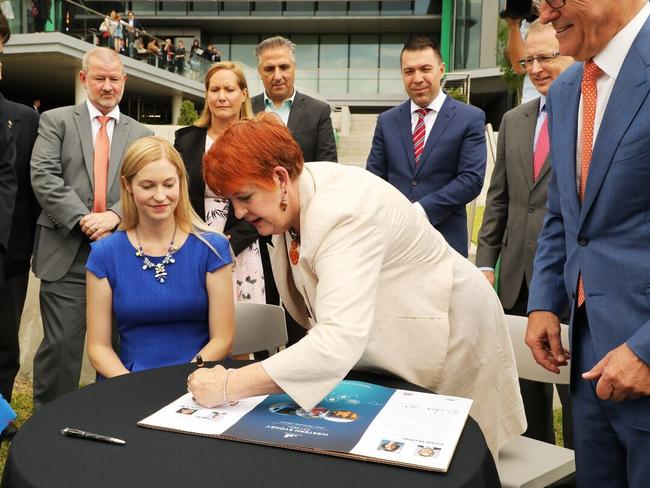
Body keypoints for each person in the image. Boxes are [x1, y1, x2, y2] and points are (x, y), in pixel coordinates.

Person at [188, 113, 526, 460]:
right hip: (396, 332)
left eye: (245, 197)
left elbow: (337, 339)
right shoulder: (289, 200)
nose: (239, 213)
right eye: (232, 201)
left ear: (279, 177)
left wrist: (232, 385)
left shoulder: (344, 212)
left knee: (449, 458)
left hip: (452, 329)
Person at [526, 1, 650, 486]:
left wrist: (645, 350)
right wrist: (543, 303)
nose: (544, 15)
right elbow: (565, 212)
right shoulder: (566, 90)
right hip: (590, 365)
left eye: (552, 0)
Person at [29, 47, 153, 409]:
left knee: (117, 346)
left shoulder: (141, 133)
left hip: (122, 255)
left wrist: (115, 215)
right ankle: (49, 428)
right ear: (84, 79)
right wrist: (86, 219)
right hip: (66, 252)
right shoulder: (56, 121)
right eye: (99, 78)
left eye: (114, 78)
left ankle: (109, 417)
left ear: (124, 82)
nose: (107, 86)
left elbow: (147, 184)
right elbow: (43, 176)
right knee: (62, 345)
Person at [476, 21, 574, 448]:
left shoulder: (591, 118)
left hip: (570, 285)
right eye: (527, 60)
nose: (535, 69)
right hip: (514, 284)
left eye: (546, 57)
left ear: (571, 52)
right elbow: (499, 199)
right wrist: (484, 262)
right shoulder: (514, 120)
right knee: (525, 402)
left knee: (576, 407)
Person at [86, 137, 235, 377]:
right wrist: (134, 386)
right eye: (147, 186)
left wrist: (181, 380)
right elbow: (98, 348)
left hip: (201, 377)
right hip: (129, 381)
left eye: (169, 184)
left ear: (181, 183)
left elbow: (223, 340)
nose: (160, 196)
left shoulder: (212, 248)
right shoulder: (105, 254)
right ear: (127, 185)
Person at [366, 36, 486, 257]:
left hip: (446, 241)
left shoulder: (469, 118)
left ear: (441, 70)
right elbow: (374, 179)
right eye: (409, 71)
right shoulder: (387, 121)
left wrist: (421, 210)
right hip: (394, 243)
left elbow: (471, 179)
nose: (417, 78)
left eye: (425, 69)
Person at [174, 62, 267, 304]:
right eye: (214, 90)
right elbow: (176, 194)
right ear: (206, 95)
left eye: (229, 89)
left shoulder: (259, 141)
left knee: (244, 330)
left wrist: (230, 243)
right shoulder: (186, 140)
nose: (221, 97)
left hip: (242, 247)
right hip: (192, 244)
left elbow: (268, 198)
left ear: (244, 94)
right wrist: (196, 238)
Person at [0, 12, 40, 441]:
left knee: (4, 344)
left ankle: (0, 415)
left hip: (9, 249)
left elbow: (29, 187)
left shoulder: (24, 118)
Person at [251, 36, 338, 164]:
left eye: (284, 67)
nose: (277, 76)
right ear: (259, 72)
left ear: (294, 68)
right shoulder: (244, 108)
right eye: (269, 69)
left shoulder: (318, 111)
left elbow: (328, 168)